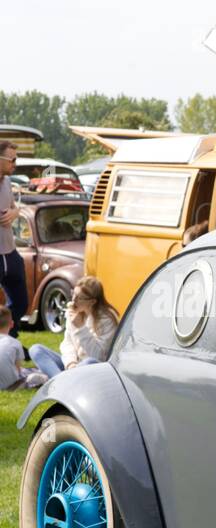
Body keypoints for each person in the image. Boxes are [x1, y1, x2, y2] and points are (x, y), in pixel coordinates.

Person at [29, 275, 118, 379]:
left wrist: (81, 328)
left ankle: (61, 381)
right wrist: (70, 363)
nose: (74, 300)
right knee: (36, 350)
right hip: (74, 365)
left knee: (89, 361)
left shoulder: (106, 319)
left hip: (94, 367)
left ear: (92, 302)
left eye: (79, 298)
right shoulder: (73, 312)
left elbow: (98, 355)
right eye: (73, 294)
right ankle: (61, 380)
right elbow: (67, 343)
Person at [0, 140, 29, 342]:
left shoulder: (8, 182)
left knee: (21, 303)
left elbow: (14, 208)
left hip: (10, 253)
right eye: (12, 160)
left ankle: (8, 339)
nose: (15, 164)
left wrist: (14, 213)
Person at [0, 306, 46, 389]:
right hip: (10, 384)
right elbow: (18, 370)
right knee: (34, 373)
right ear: (12, 324)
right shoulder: (15, 343)